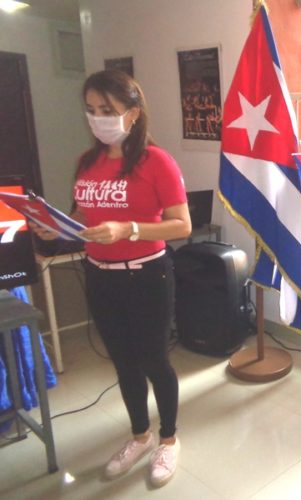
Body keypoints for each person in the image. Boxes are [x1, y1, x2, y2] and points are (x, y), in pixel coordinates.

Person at [31, 69, 191, 487]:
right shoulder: (87, 162)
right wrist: (56, 226)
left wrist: (130, 229)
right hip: (100, 275)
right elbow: (85, 214)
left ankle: (169, 440)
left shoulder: (158, 161)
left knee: (154, 359)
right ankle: (140, 435)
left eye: (107, 110)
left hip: (147, 274)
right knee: (123, 360)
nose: (97, 117)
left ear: (133, 114)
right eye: (90, 110)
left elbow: (182, 226)